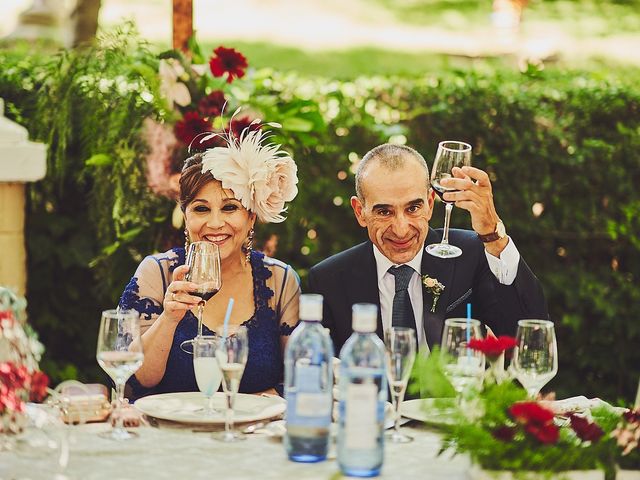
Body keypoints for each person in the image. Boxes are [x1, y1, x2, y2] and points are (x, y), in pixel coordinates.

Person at [119, 121, 301, 400]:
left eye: (230, 208)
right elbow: (134, 380)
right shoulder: (157, 273)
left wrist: (247, 411)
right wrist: (169, 319)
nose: (215, 223)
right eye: (201, 209)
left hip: (252, 435)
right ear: (186, 217)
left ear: (251, 217)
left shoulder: (280, 281)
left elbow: (300, 379)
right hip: (169, 434)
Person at [307, 143, 547, 353]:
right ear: (360, 212)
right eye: (384, 212)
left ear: (430, 204)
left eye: (413, 208)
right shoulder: (328, 280)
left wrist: (493, 236)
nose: (401, 229)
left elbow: (530, 337)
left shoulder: (472, 253)